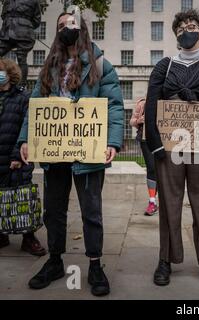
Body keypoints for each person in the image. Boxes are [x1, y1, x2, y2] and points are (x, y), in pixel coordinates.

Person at [17, 12, 124, 296]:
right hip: (54, 152)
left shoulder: (101, 65)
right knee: (54, 211)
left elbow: (114, 106)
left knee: (91, 211)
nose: (66, 28)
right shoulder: (48, 68)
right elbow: (35, 108)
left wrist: (112, 142)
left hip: (88, 153)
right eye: (60, 26)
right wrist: (26, 140)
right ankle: (54, 261)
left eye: (71, 24)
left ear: (82, 29)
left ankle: (95, 265)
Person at [145, 9, 199, 287]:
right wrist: (156, 144)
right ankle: (165, 260)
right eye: (181, 28)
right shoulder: (164, 67)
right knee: (169, 205)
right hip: (170, 147)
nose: (186, 31)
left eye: (192, 27)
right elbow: (151, 105)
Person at [0, 58, 46, 256]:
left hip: (18, 157)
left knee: (24, 198)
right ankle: (2, 234)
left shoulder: (23, 97)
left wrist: (17, 155)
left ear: (10, 74)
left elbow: (27, 129)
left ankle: (29, 238)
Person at [0, 0, 41, 87]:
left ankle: (21, 86)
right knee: (21, 58)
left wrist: (24, 24)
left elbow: (36, 20)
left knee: (21, 58)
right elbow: (3, 15)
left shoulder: (34, 1)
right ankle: (14, 84)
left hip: (23, 33)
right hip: (7, 32)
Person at [130, 97, 158, 216]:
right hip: (145, 139)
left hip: (166, 141)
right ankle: (152, 202)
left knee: (164, 170)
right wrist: (138, 120)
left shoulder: (168, 100)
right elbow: (131, 121)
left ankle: (167, 201)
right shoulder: (143, 103)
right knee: (151, 168)